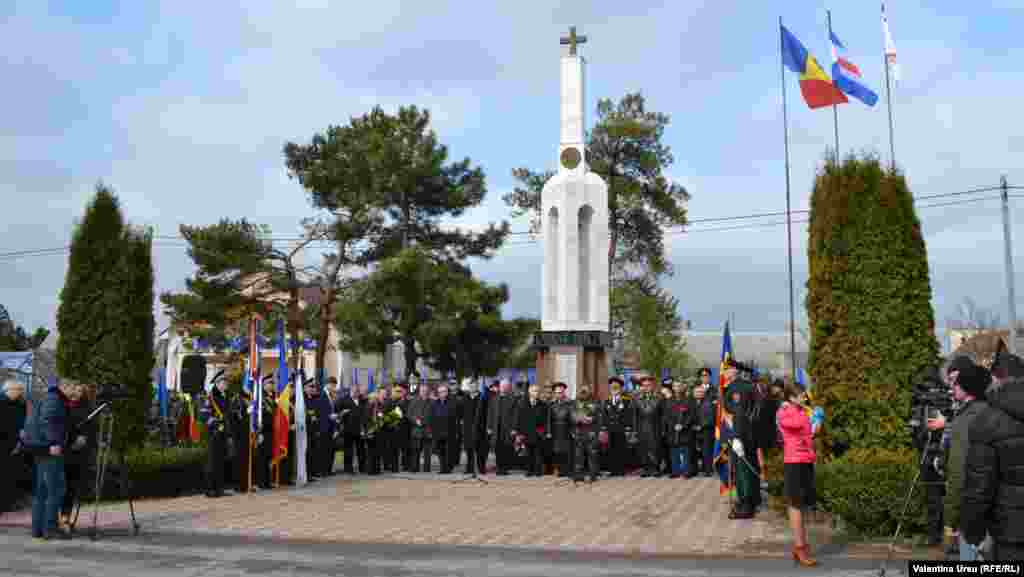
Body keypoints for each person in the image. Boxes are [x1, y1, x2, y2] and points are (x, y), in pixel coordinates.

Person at [961, 352, 1024, 561]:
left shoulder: (986, 421)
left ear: (996, 379)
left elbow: (979, 487)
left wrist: (972, 531)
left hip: (1009, 534)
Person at [941, 356, 991, 561]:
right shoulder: (991, 411)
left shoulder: (965, 419)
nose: (952, 388)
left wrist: (950, 519)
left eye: (956, 382)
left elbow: (958, 472)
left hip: (971, 508)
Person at [20, 379, 73, 540]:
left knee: (42, 490)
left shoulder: (50, 398)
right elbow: (49, 421)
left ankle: (38, 528)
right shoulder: (54, 400)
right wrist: (54, 443)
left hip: (41, 448)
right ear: (64, 387)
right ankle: (50, 527)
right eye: (73, 387)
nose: (75, 391)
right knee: (55, 489)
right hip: (49, 449)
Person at [776, 382, 821, 567]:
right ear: (792, 398)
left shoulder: (802, 411)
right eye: (802, 395)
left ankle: (801, 545)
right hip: (794, 462)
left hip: (806, 461)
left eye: (805, 395)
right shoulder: (785, 412)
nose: (805, 398)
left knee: (803, 505)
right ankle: (800, 547)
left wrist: (816, 424)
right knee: (795, 504)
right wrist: (812, 419)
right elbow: (794, 425)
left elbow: (808, 434)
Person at [723, 359, 760, 519]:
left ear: (734, 371)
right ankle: (753, 498)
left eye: (726, 369)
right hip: (749, 434)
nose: (724, 372)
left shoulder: (738, 388)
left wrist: (737, 437)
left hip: (741, 435)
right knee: (749, 465)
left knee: (742, 470)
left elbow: (738, 414)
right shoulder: (746, 385)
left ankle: (746, 504)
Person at [59, 383, 95, 529]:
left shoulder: (88, 409)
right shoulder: (66, 405)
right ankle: (59, 517)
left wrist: (84, 439)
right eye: (76, 390)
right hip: (65, 450)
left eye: (80, 391)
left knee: (71, 487)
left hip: (79, 454)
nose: (76, 392)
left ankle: (65, 517)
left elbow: (92, 430)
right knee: (62, 486)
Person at [1, 379, 29, 512]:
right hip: (4, 443)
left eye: (21, 390)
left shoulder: (20, 404)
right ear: (8, 390)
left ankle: (9, 502)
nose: (20, 393)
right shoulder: (2, 403)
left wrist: (21, 436)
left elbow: (22, 422)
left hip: (16, 443)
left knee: (11, 475)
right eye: (18, 390)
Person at [200, 378, 231, 497]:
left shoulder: (225, 396)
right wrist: (216, 425)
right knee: (212, 462)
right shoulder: (210, 397)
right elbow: (204, 414)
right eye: (223, 383)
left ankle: (219, 488)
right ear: (217, 384)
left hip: (223, 433)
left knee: (221, 461)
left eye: (226, 383)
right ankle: (209, 489)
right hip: (213, 433)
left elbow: (227, 414)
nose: (225, 385)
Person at [487, 379, 520, 476]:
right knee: (497, 448)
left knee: (507, 448)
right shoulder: (494, 398)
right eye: (502, 386)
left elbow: (515, 415)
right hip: (496, 428)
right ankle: (499, 467)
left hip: (508, 429)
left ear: (509, 387)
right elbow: (490, 413)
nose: (503, 388)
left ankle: (505, 468)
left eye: (506, 386)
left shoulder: (513, 399)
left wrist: (514, 428)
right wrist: (489, 427)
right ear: (499, 387)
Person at [601, 377, 633, 476]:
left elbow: (629, 414)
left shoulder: (626, 401)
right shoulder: (607, 401)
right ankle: (613, 469)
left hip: (621, 428)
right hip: (610, 428)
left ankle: (621, 470)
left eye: (616, 386)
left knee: (621, 448)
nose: (614, 388)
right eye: (612, 386)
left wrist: (628, 427)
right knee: (611, 449)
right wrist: (604, 428)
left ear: (621, 388)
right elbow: (604, 415)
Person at [633, 375, 662, 477]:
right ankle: (645, 468)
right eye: (644, 386)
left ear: (653, 386)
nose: (646, 387)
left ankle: (655, 468)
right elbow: (635, 415)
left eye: (649, 385)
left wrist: (662, 429)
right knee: (643, 448)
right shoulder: (637, 398)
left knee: (654, 448)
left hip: (654, 426)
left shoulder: (658, 397)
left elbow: (654, 412)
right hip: (642, 427)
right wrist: (634, 429)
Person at [662, 380, 692, 479]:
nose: (677, 388)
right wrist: (673, 425)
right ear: (673, 388)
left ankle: (686, 471)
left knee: (685, 452)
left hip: (684, 431)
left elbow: (691, 416)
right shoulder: (669, 401)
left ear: (682, 387)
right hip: (672, 430)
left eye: (679, 386)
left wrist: (683, 425)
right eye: (675, 386)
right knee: (674, 452)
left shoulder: (688, 400)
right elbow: (666, 416)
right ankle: (675, 471)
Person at [517, 384, 548, 477]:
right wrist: (519, 433)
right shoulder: (522, 403)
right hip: (526, 432)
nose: (536, 393)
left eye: (538, 391)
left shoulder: (543, 404)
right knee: (528, 453)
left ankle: (538, 471)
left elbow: (545, 419)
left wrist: (544, 431)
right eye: (534, 391)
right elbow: (519, 419)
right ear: (530, 392)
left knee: (538, 453)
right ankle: (528, 471)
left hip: (538, 432)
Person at [457, 379, 486, 475]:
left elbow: (486, 413)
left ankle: (481, 468)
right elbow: (461, 412)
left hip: (480, 427)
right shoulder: (465, 398)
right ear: (469, 387)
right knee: (469, 449)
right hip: (468, 427)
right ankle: (469, 468)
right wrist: (461, 421)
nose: (473, 387)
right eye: (471, 386)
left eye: (475, 386)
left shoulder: (482, 398)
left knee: (480, 449)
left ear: (477, 386)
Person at [546, 382, 574, 477]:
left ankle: (567, 470)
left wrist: (573, 431)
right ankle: (559, 470)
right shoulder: (551, 404)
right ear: (554, 393)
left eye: (561, 392)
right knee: (557, 451)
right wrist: (549, 431)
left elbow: (572, 418)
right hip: (556, 430)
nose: (559, 394)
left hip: (566, 429)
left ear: (564, 393)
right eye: (557, 392)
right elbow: (549, 419)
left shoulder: (569, 403)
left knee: (567, 451)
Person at [339, 383, 367, 474]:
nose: (356, 393)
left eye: (358, 391)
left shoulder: (362, 400)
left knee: (361, 450)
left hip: (359, 429)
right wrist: (342, 413)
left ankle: (362, 468)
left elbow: (364, 413)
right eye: (354, 391)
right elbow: (337, 412)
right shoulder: (343, 400)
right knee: (348, 450)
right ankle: (348, 469)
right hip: (348, 429)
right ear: (351, 390)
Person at [430, 384, 457, 474]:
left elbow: (455, 416)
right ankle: (443, 468)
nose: (442, 393)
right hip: (438, 431)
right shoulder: (435, 403)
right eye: (440, 392)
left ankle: (449, 468)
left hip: (449, 430)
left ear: (447, 392)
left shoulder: (452, 402)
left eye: (444, 391)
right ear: (438, 393)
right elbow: (432, 417)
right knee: (440, 451)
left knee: (449, 451)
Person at [408, 384, 433, 473]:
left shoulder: (432, 402)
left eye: (426, 390)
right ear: (419, 391)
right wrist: (415, 420)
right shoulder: (413, 401)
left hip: (428, 430)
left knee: (427, 452)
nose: (424, 392)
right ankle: (415, 468)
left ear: (428, 391)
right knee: (415, 450)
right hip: (416, 430)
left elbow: (434, 416)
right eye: (422, 390)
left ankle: (427, 469)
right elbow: (409, 414)